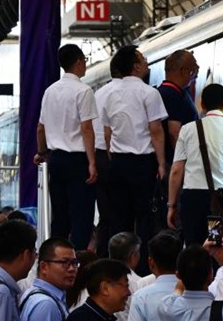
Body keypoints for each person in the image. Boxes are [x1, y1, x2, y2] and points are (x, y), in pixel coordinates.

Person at [101, 45, 168, 269]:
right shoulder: (149, 93)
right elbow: (156, 129)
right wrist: (160, 163)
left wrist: (114, 158)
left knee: (120, 219)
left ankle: (118, 266)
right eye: (142, 59)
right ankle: (144, 267)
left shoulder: (110, 94)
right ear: (136, 66)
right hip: (143, 164)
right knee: (145, 218)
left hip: (118, 163)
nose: (146, 62)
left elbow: (107, 133)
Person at [167, 83, 223, 246]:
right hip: (220, 204)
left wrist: (171, 205)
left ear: (203, 105)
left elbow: (176, 170)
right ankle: (215, 270)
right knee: (215, 245)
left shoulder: (188, 129)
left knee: (194, 247)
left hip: (194, 202)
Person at [33, 44, 99, 250]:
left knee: (60, 216)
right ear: (79, 62)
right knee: (81, 216)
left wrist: (42, 153)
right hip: (78, 160)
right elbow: (87, 128)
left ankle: (56, 260)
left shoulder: (49, 91)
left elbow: (40, 128)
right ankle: (76, 261)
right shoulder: (84, 91)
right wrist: (92, 162)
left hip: (56, 160)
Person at [92, 66, 122, 259]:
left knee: (106, 214)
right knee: (121, 214)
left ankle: (104, 257)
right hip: (117, 156)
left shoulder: (99, 93)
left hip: (100, 155)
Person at [157, 49, 200, 169]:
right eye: (195, 67)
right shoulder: (173, 95)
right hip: (174, 163)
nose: (197, 71)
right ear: (185, 71)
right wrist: (183, 165)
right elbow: (174, 132)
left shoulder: (164, 92)